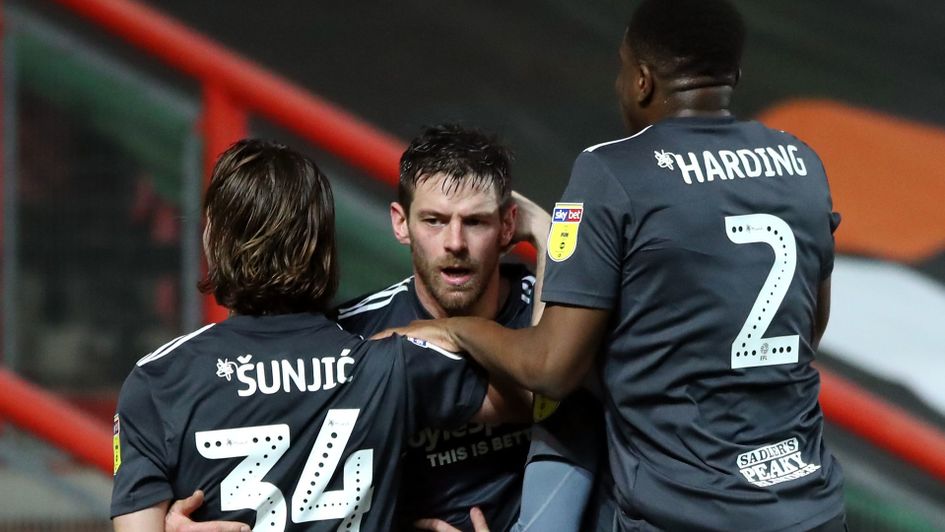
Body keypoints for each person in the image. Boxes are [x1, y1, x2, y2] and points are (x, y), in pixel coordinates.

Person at [387, 1, 848, 530]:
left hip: (685, 509)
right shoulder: (803, 163)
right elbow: (809, 326)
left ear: (643, 81)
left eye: (622, 68)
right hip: (809, 503)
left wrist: (455, 330)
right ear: (735, 75)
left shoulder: (613, 170)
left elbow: (551, 368)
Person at [110, 139, 524, 531]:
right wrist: (545, 235)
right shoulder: (388, 362)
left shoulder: (157, 382)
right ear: (324, 244)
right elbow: (546, 385)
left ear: (212, 236)